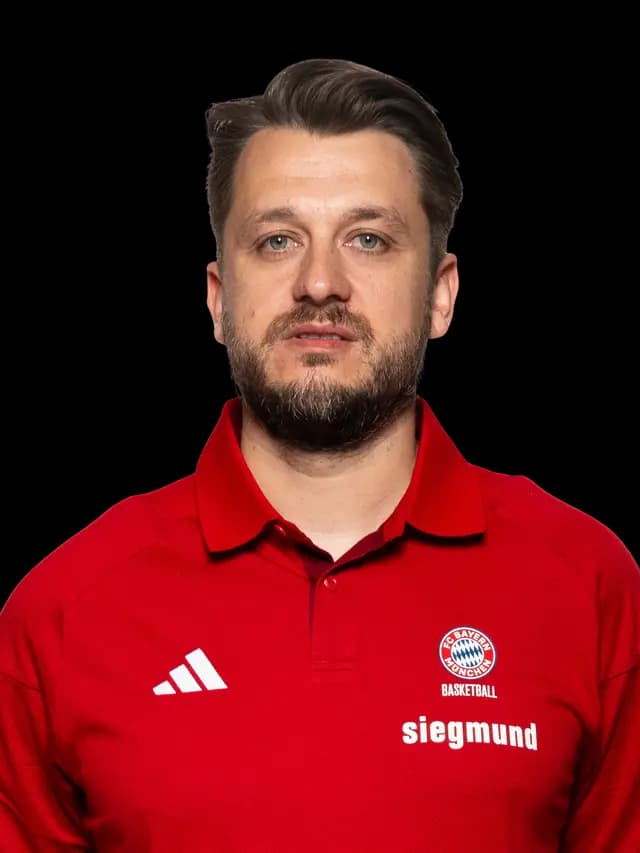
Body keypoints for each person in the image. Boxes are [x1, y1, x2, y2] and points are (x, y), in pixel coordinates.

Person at [1, 57, 638, 852]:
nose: (319, 282)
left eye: (368, 239)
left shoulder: (587, 584)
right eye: (277, 240)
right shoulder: (62, 611)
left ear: (441, 294)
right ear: (218, 299)